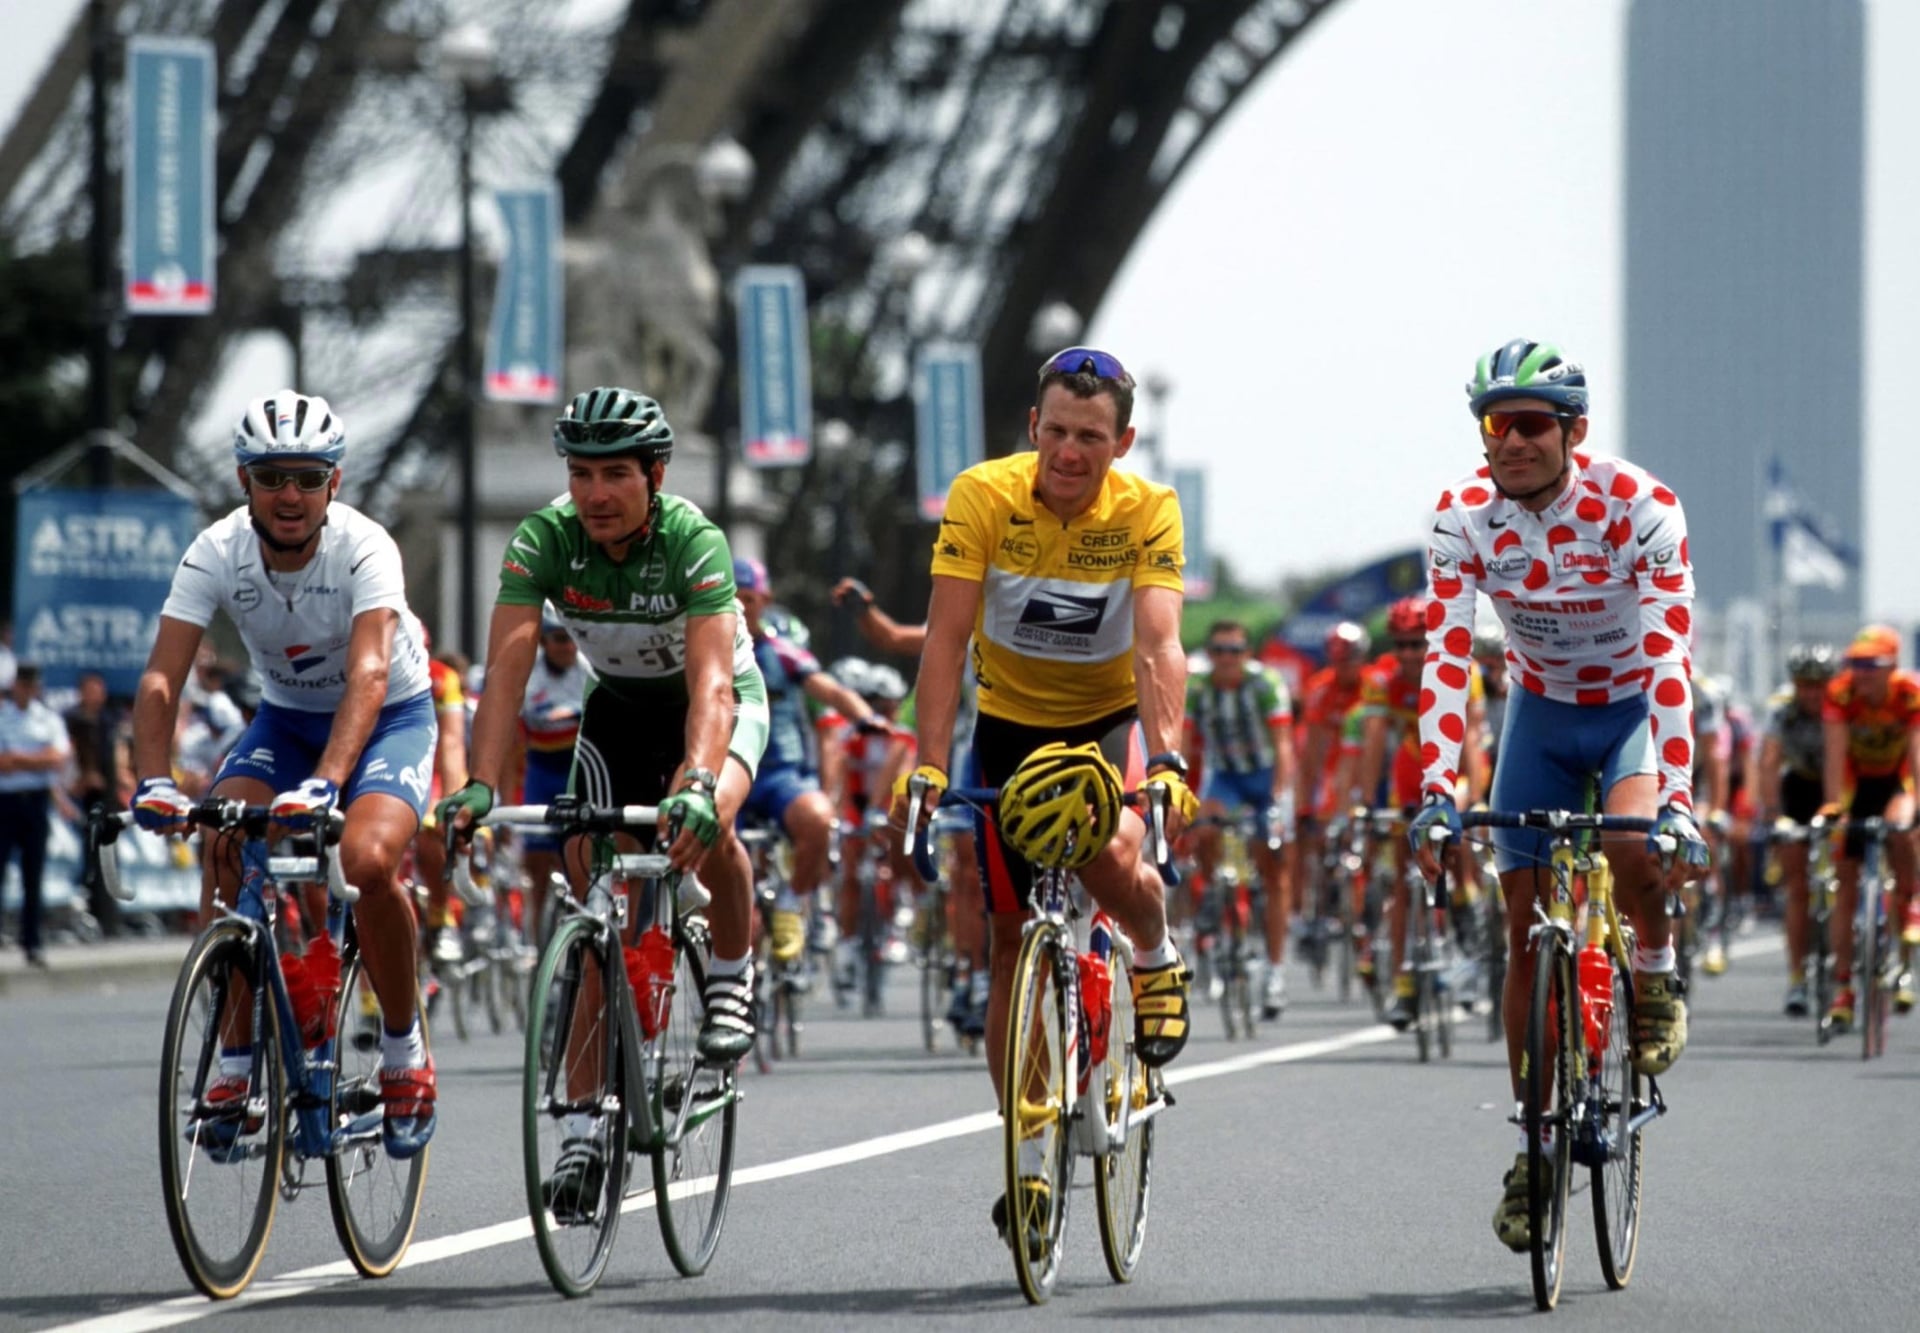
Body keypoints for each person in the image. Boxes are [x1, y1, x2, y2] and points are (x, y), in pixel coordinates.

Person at [1407, 338, 1707, 1254]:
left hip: (1630, 707)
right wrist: (1436, 789)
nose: (1512, 440)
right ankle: (1534, 1149)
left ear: (1574, 430)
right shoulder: (1462, 514)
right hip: (1539, 711)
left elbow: (1670, 658)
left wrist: (1678, 798)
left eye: (1532, 423)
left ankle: (1653, 966)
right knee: (1523, 926)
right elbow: (1447, 657)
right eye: (1496, 423)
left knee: (1630, 844)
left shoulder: (1639, 506)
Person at [893, 345, 1196, 1248]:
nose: (1069, 451)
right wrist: (928, 762)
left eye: (1091, 437)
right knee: (1008, 945)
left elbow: (1158, 644)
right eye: (1056, 431)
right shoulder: (983, 494)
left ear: (1123, 443)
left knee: (1103, 856)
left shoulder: (1149, 507)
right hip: (1009, 729)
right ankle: (1027, 1157)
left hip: (1107, 723)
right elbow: (945, 639)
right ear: (1032, 427)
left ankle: (1153, 949)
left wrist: (1167, 758)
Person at [437, 387, 771, 1158]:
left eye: (616, 473)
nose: (595, 494)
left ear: (655, 475)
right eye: (581, 473)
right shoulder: (544, 538)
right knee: (594, 908)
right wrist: (481, 784)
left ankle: (730, 977)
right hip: (618, 708)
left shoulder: (693, 539)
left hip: (714, 704)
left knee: (709, 818)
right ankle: (585, 1132)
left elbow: (712, 685)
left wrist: (696, 782)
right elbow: (506, 673)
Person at [129, 390, 441, 1158]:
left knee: (366, 859)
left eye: (307, 476)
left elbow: (370, 674)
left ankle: (403, 1049)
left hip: (388, 718)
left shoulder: (366, 547)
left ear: (335, 481)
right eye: (272, 477)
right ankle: (237, 1067)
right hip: (287, 721)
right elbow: (162, 678)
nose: (290, 495)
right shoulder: (216, 550)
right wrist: (153, 779)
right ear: (245, 481)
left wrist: (328, 781)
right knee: (224, 838)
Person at [732, 558, 885, 973]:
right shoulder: (707, 648)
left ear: (765, 600)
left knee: (819, 819)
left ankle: (791, 903)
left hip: (779, 775)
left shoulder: (782, 654)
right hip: (729, 774)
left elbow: (831, 691)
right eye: (732, 599)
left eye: (749, 599)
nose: (741, 608)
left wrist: (866, 718)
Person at [1182, 617, 1297, 1019]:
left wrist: (1278, 802)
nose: (1227, 659)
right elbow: (1186, 746)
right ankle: (1213, 890)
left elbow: (1284, 746)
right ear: (1210, 654)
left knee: (1275, 868)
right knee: (1205, 828)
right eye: (1219, 651)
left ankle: (1275, 970)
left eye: (1234, 651)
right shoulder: (1198, 688)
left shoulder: (1266, 684)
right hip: (1226, 778)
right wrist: (1182, 795)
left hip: (1265, 777)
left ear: (1247, 654)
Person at [1817, 625, 1920, 1025]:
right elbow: (1834, 753)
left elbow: (1916, 753)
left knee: (1902, 827)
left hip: (1896, 782)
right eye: (1854, 664)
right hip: (1856, 784)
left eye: (1870, 665)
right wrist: (1833, 806)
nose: (1860, 673)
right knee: (1844, 883)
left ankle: (1911, 906)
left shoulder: (1909, 694)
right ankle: (1843, 988)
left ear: (1891, 666)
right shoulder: (1841, 693)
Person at [1756, 643, 1834, 1016]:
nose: (1812, 693)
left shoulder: (1843, 705)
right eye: (1805, 685)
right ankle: (1798, 978)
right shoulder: (1782, 710)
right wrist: (1774, 815)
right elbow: (1769, 762)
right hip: (1800, 789)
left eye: (1819, 685)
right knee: (1798, 888)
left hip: (1841, 787)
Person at [515, 611, 588, 944]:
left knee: (578, 859)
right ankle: (539, 942)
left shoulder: (587, 669)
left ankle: (580, 930)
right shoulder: (528, 674)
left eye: (573, 638)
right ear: (544, 641)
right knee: (536, 863)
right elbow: (513, 745)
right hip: (540, 773)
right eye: (560, 638)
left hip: (577, 773)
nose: (568, 646)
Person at [0, 665, 72, 967]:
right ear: (15, 685)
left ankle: (32, 942)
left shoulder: (48, 719)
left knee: (34, 875)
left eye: (32, 685)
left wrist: (19, 758)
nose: (27, 690)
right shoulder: (3, 716)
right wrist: (35, 758)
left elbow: (57, 757)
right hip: (5, 801)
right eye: (23, 684)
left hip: (36, 801)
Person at [64, 670, 130, 936]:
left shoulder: (109, 721)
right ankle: (91, 913)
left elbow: (119, 759)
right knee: (89, 858)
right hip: (82, 798)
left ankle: (110, 917)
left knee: (109, 857)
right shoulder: (72, 720)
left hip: (108, 797)